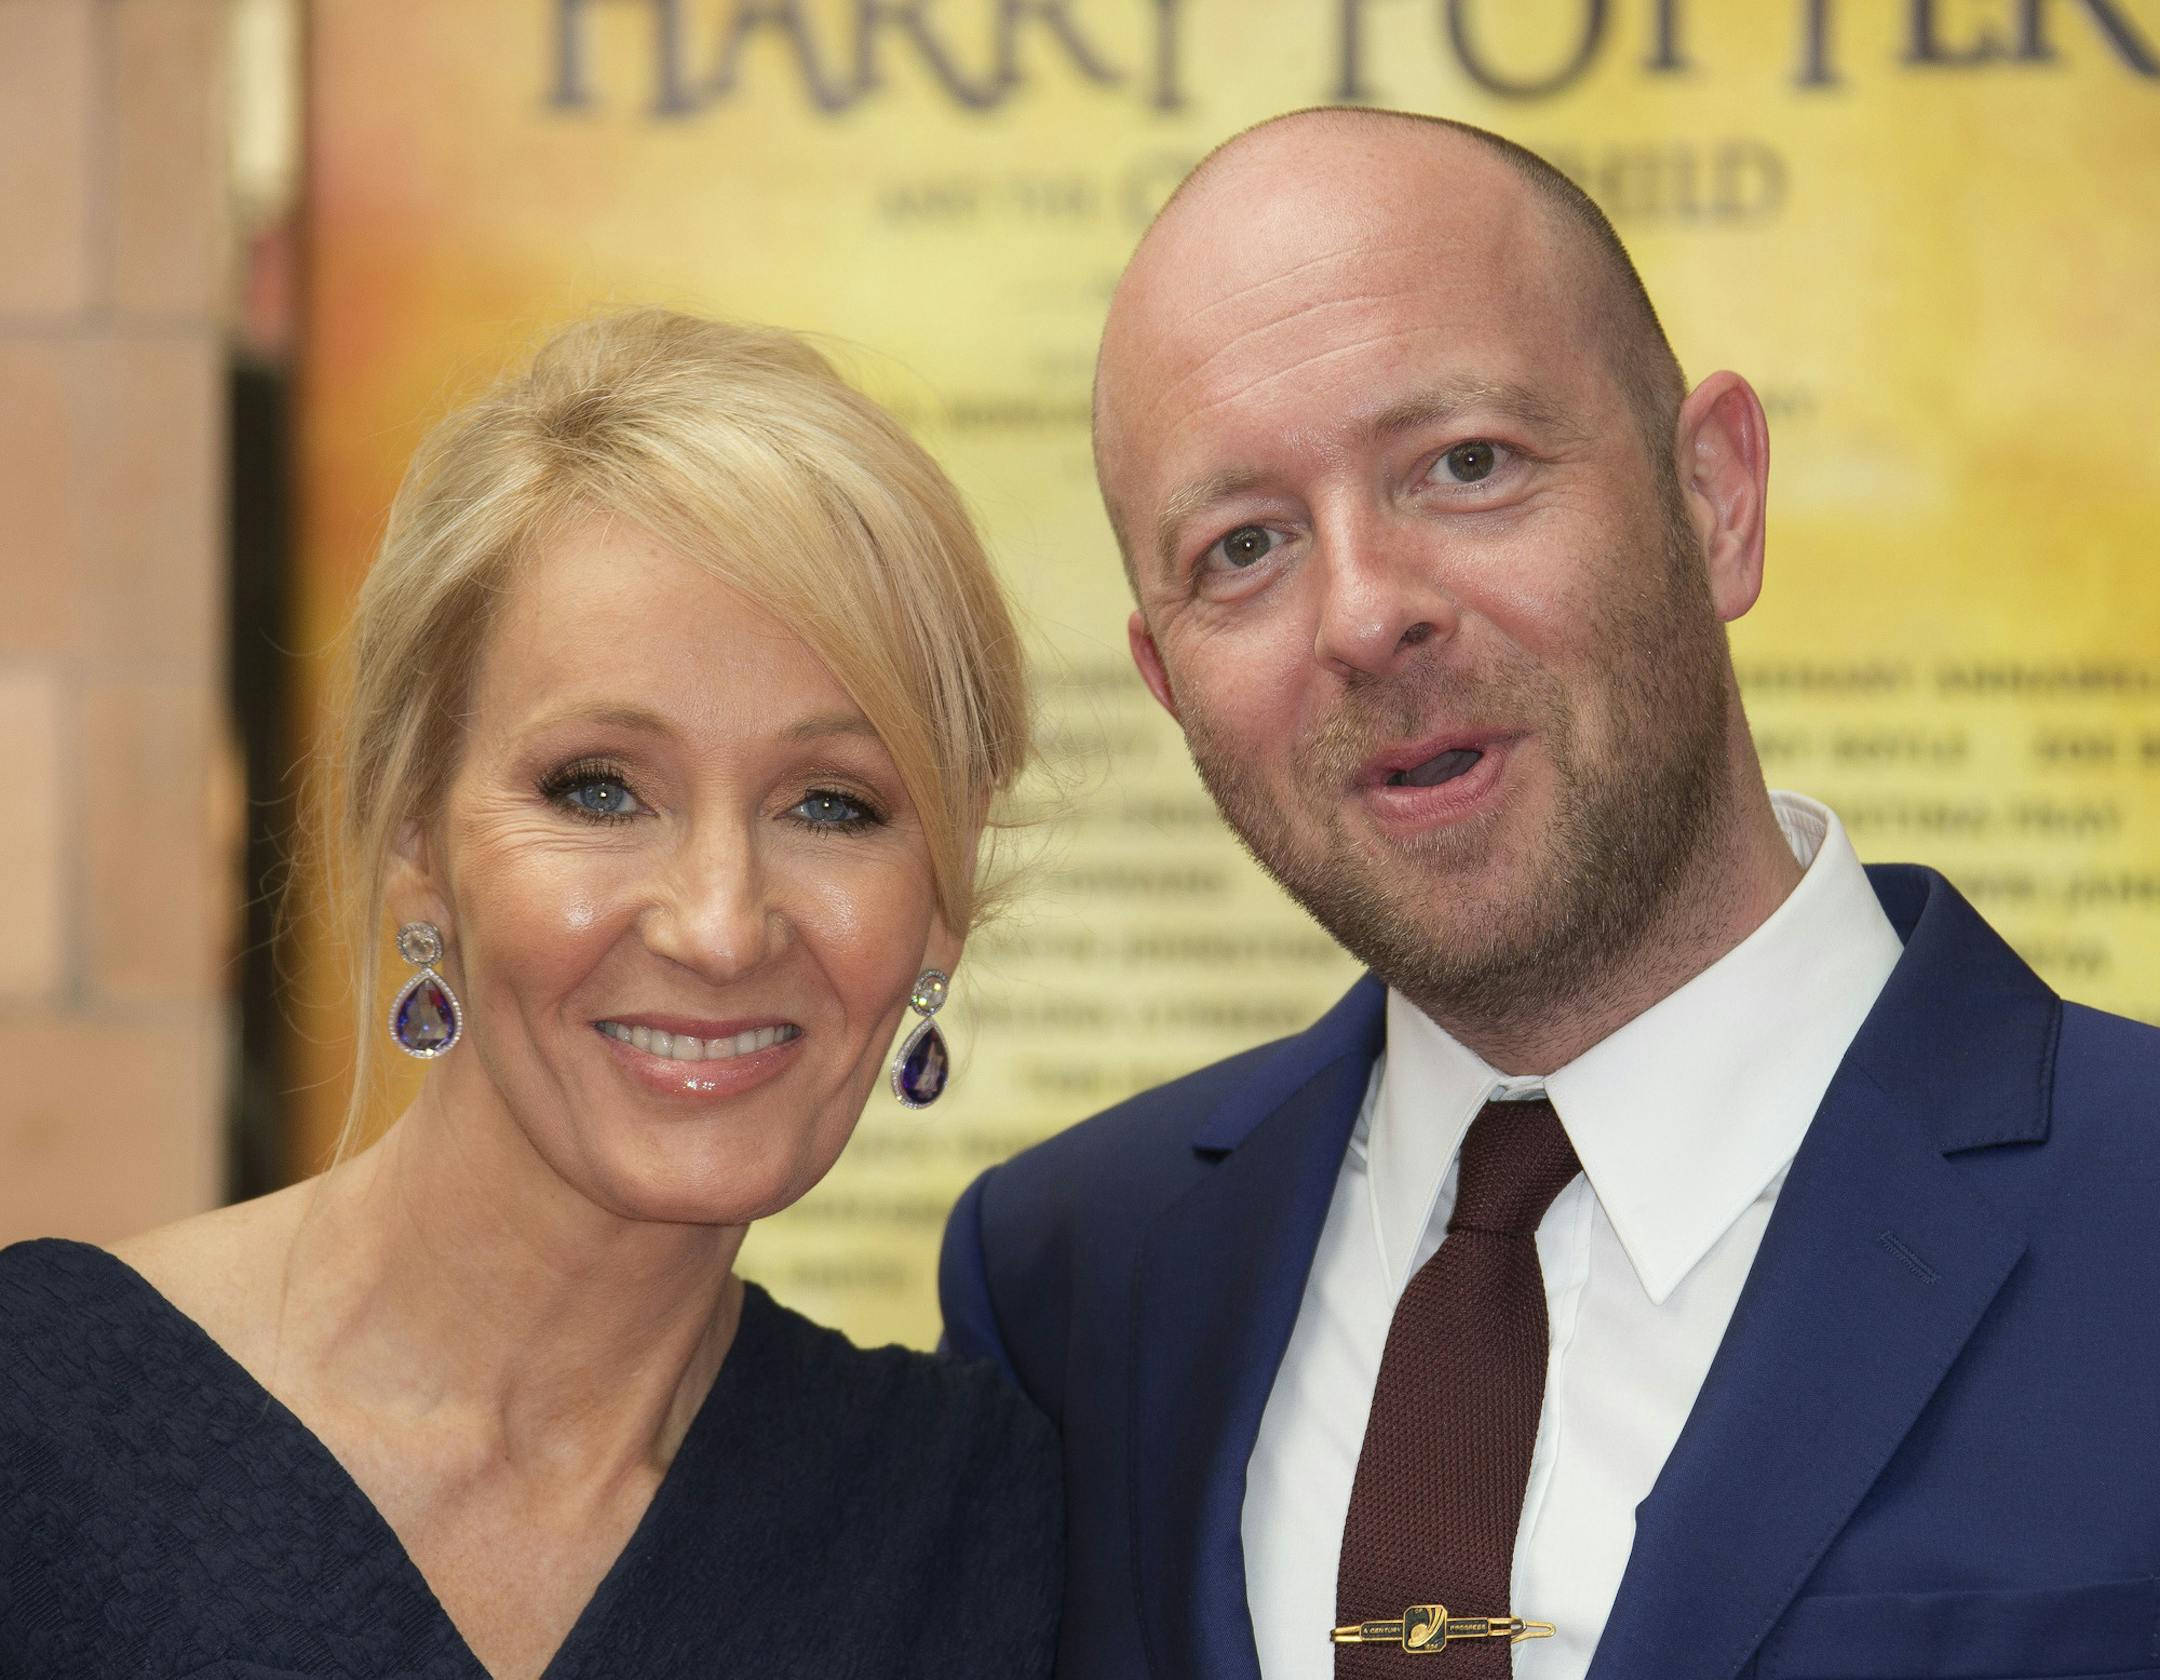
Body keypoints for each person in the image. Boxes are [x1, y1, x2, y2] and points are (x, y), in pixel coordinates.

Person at [939, 108, 2160, 1680]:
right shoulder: (1074, 1282)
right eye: (1243, 546)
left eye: (1465, 464)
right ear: (1169, 685)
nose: (1366, 615)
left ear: (1714, 497)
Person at [0, 310, 1058, 1680]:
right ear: (415, 844)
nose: (722, 925)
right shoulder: (40, 1429)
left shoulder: (972, 1518)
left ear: (947, 893)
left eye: (834, 803)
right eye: (600, 790)